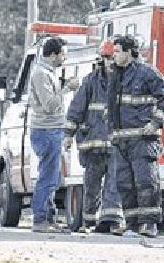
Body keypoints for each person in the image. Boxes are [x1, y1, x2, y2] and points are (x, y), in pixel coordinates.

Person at [105, 35, 164, 237]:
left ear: (129, 52)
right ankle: (132, 225)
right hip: (121, 140)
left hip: (143, 140)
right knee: (124, 184)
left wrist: (155, 124)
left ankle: (150, 224)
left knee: (146, 182)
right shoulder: (116, 75)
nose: (114, 56)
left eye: (117, 51)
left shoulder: (147, 73)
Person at [64, 41, 124, 233]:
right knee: (91, 184)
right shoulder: (90, 81)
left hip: (115, 144)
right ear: (102, 59)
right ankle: (88, 221)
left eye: (112, 58)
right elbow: (76, 108)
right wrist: (68, 135)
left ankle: (111, 221)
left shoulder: (125, 81)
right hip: (92, 144)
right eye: (107, 58)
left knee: (114, 183)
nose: (110, 62)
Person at [28, 37, 69, 233]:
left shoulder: (48, 73)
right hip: (46, 130)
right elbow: (50, 105)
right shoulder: (41, 74)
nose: (64, 58)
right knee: (47, 177)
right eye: (63, 54)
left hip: (52, 130)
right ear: (53, 54)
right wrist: (67, 88)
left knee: (53, 176)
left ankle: (50, 218)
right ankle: (40, 219)